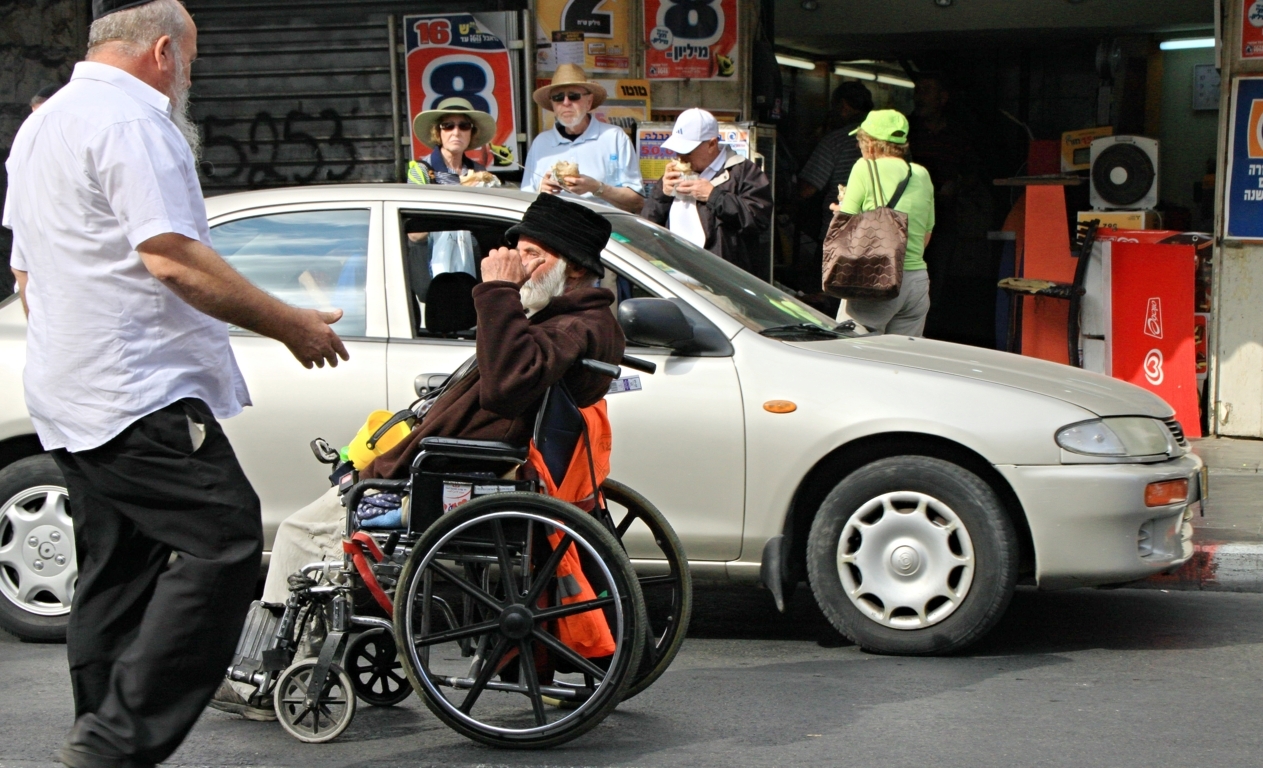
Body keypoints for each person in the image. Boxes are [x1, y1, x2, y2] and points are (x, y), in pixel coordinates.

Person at [2, 1, 349, 766]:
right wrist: (289, 323)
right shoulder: (134, 122)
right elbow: (171, 257)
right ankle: (115, 740)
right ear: (163, 51)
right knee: (223, 539)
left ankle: (100, 736)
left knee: (119, 569)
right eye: (192, 59)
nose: (191, 76)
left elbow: (26, 272)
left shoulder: (42, 126)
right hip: (134, 390)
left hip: (71, 390)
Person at [209, 192, 625, 720]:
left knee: (296, 533)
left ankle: (263, 683)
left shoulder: (571, 326)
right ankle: (308, 651)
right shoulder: (564, 320)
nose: (519, 265)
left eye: (530, 255)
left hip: (447, 473)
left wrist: (496, 289)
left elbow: (504, 387)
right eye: (515, 252)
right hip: (442, 461)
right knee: (340, 495)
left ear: (569, 268)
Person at [833, 109, 936, 336]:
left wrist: (840, 209)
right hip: (916, 284)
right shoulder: (921, 174)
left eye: (860, 141)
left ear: (870, 144)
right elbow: (925, 236)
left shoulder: (864, 167)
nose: (859, 148)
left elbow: (845, 228)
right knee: (901, 362)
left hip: (876, 278)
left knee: (853, 355)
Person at [640, 108, 772, 277]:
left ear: (711, 144)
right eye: (677, 149)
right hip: (675, 275)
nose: (681, 156)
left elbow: (758, 219)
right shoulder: (673, 174)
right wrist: (662, 193)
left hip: (722, 278)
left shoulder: (742, 171)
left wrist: (714, 196)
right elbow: (648, 224)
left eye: (688, 151)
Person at [404, 96, 497, 296]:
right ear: (438, 132)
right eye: (448, 126)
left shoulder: (480, 172)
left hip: (474, 269)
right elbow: (415, 233)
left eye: (464, 125)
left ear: (472, 132)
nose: (456, 132)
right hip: (431, 271)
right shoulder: (421, 170)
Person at [520, 63, 643, 214]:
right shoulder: (541, 143)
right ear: (553, 105)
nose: (566, 103)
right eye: (558, 98)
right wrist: (541, 191)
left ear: (589, 102)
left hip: (603, 230)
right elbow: (523, 201)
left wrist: (597, 188)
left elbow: (637, 203)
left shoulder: (614, 137)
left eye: (573, 96)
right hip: (555, 230)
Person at [797, 80, 874, 234]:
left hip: (840, 233)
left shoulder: (835, 141)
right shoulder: (893, 144)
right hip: (878, 234)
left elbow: (806, 190)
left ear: (843, 106)